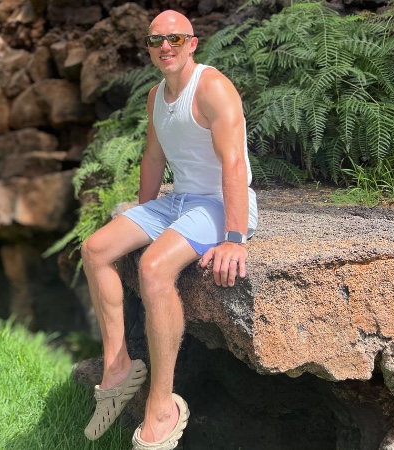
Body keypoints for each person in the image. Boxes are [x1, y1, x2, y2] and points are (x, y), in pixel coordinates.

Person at [81, 9, 258, 449]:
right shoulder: (156, 96)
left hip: (219, 204)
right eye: (156, 40)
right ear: (149, 48)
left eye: (175, 39)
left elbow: (234, 163)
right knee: (96, 249)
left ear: (192, 44)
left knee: (154, 268)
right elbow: (153, 158)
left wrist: (234, 239)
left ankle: (162, 406)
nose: (165, 46)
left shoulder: (212, 87)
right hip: (176, 202)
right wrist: (141, 219)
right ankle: (118, 367)